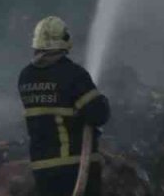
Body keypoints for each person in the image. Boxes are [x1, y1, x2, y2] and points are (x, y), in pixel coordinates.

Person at [17, 16, 110, 196]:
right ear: (63, 40)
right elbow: (98, 114)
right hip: (75, 167)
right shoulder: (72, 74)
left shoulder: (26, 77)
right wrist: (102, 100)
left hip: (42, 169)